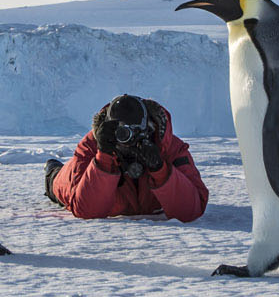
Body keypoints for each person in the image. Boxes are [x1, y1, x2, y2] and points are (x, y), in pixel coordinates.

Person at [44, 94, 208, 222]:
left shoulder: (169, 147)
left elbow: (192, 210)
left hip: (135, 197)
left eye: (133, 132)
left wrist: (160, 169)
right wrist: (104, 157)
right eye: (121, 133)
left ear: (148, 129)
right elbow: (86, 210)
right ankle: (52, 171)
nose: (127, 139)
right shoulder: (93, 145)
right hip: (75, 179)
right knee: (59, 183)